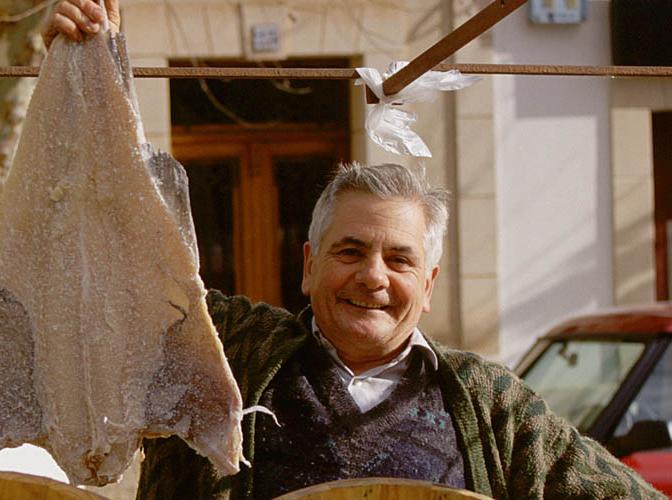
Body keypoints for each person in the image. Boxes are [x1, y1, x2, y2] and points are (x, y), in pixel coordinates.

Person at [42, 7, 666, 500]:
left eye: (400, 260)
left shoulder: (490, 404)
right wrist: (90, 78)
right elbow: (118, 262)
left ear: (428, 284)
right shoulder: (226, 351)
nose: (373, 276)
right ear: (309, 265)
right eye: (351, 250)